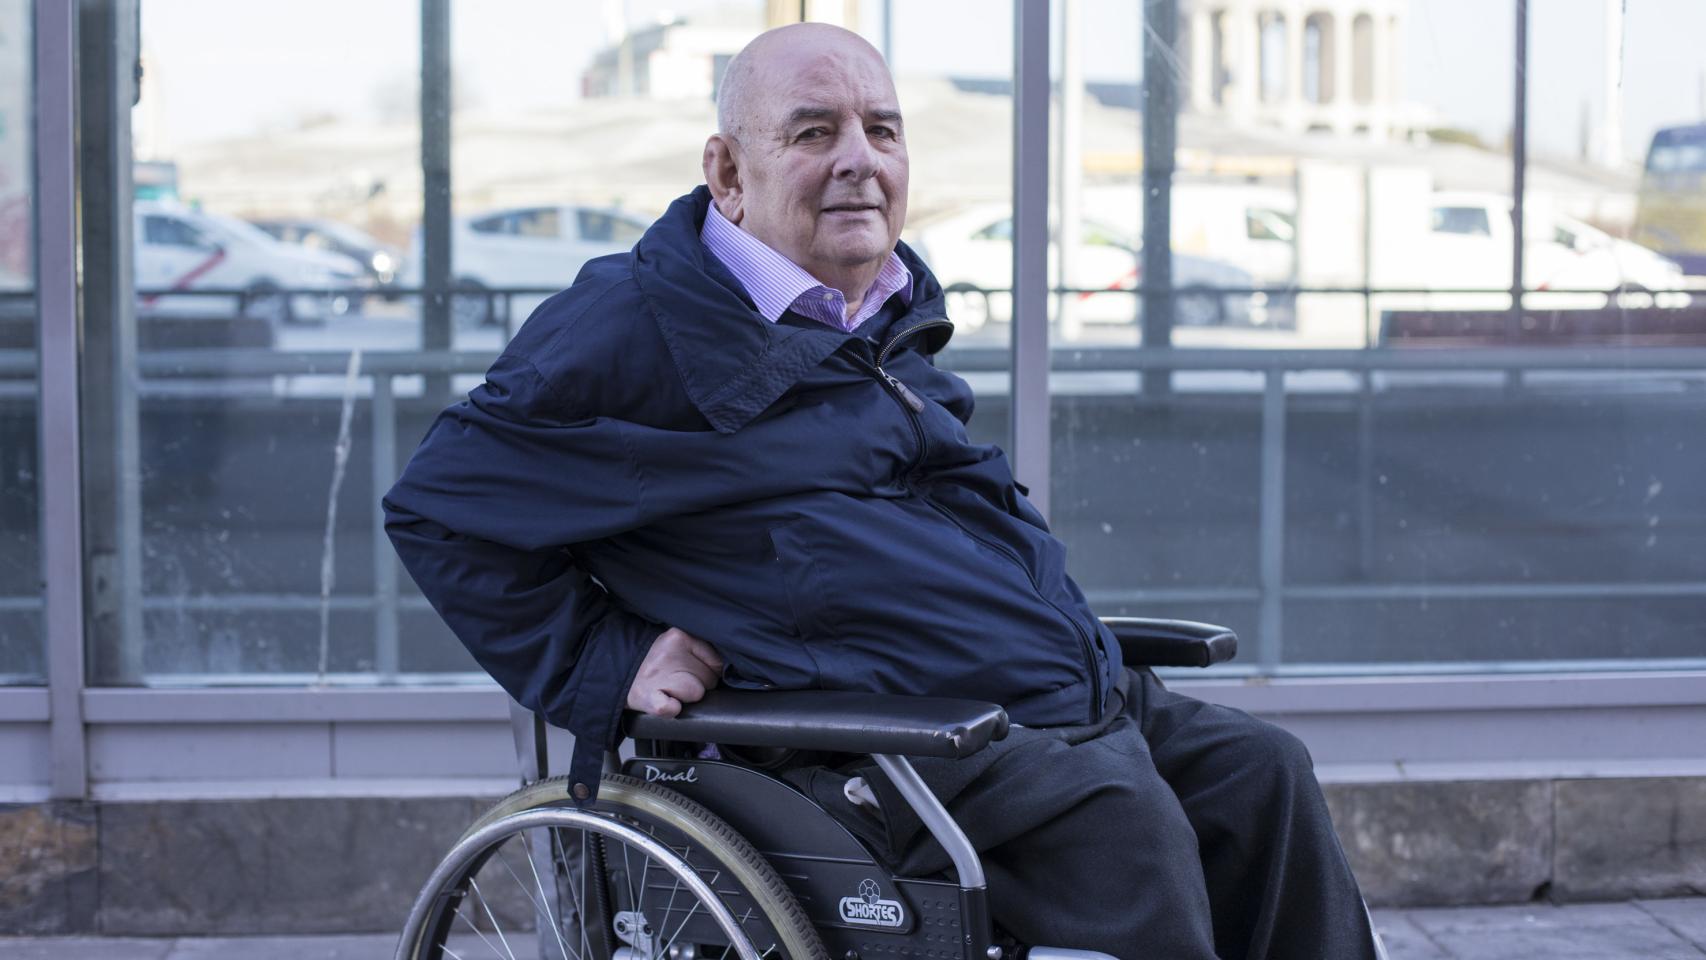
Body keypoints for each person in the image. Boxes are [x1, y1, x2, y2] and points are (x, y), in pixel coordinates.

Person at [384, 22, 1377, 960]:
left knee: (1262, 772)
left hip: (1038, 698)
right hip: (869, 747)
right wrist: (605, 659)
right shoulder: (634, 324)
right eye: (814, 132)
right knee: (1122, 818)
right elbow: (437, 505)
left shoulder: (881, 300)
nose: (859, 158)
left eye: (881, 130)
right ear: (727, 172)